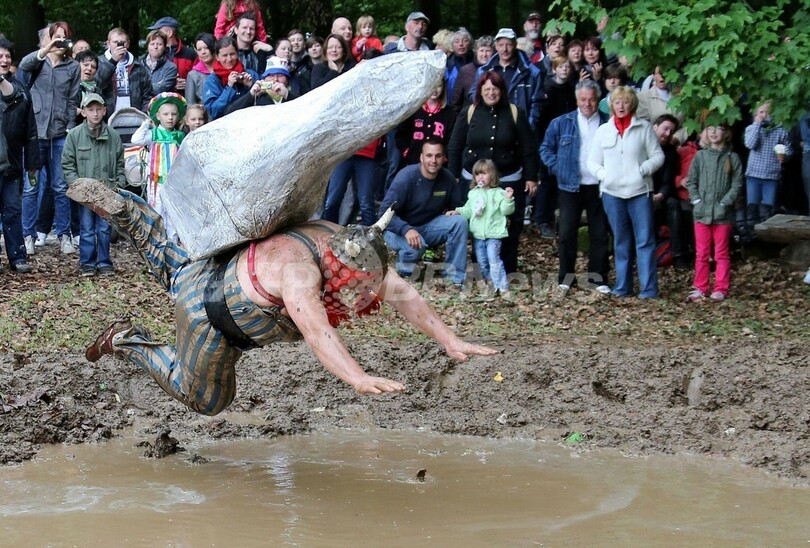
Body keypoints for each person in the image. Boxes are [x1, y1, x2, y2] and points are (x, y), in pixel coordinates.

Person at [66, 177, 497, 416]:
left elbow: (403, 293)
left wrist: (450, 339)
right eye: (359, 287)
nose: (364, 296)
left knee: (170, 259)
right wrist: (357, 377)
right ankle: (125, 340)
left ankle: (127, 207)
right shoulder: (299, 275)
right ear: (341, 268)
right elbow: (319, 334)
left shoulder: (339, 237)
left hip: (210, 265)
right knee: (207, 400)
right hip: (209, 319)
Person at [448, 71, 539, 274]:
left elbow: (528, 147)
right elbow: (455, 145)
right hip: (475, 181)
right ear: (480, 91)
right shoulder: (470, 112)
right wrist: (453, 174)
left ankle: (508, 270)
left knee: (509, 224)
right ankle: (480, 270)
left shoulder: (515, 112)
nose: (491, 93)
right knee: (478, 223)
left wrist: (532, 177)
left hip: (508, 179)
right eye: (487, 89)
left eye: (495, 88)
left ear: (502, 90)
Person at [587, 86, 664, 298]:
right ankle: (623, 287)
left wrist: (642, 170)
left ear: (633, 104)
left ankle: (648, 289)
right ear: (612, 105)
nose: (621, 106)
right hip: (612, 194)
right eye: (617, 102)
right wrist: (604, 175)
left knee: (644, 241)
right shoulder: (603, 130)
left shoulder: (644, 128)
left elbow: (658, 156)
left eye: (626, 102)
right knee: (621, 241)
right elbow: (592, 162)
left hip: (640, 192)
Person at [540, 80, 610, 293]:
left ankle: (598, 279)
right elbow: (545, 149)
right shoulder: (562, 122)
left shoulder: (608, 123)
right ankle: (566, 278)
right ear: (576, 99)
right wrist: (558, 167)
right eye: (583, 99)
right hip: (570, 186)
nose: (587, 104)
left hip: (600, 186)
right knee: (567, 234)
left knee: (600, 234)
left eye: (592, 99)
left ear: (598, 99)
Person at [18, 21, 80, 255]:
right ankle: (28, 235)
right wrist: (46, 49)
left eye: (64, 37)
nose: (60, 41)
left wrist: (70, 128)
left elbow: (73, 100)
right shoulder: (38, 61)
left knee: (61, 187)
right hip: (35, 135)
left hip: (60, 135)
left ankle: (64, 235)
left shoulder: (73, 67)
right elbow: (23, 65)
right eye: (56, 37)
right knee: (31, 188)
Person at [379, 139, 468, 286]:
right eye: (429, 155)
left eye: (438, 156)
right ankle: (405, 271)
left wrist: (457, 211)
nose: (433, 160)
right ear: (421, 157)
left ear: (444, 158)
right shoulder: (406, 177)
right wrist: (406, 229)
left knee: (460, 222)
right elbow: (383, 213)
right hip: (396, 230)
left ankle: (455, 278)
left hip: (427, 226)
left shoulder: (447, 178)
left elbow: (458, 206)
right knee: (416, 246)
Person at [61, 93, 125, 276]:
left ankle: (104, 262)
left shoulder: (113, 136)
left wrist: (118, 185)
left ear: (105, 111)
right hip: (85, 194)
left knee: (104, 229)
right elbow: (67, 164)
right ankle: (87, 263)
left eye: (98, 109)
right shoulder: (74, 135)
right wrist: (77, 187)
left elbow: (120, 164)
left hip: (107, 191)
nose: (95, 113)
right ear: (83, 112)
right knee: (87, 228)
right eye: (90, 110)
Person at [686, 124, 743, 302]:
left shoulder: (732, 157)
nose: (713, 132)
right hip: (701, 214)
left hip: (723, 215)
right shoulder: (700, 156)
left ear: (726, 133)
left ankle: (721, 288)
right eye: (710, 128)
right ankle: (700, 287)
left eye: (718, 128)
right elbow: (691, 181)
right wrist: (697, 201)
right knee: (702, 253)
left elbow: (737, 184)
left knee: (721, 253)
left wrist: (724, 203)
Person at [1, 38, 40, 273]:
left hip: (13, 161)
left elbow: (30, 128)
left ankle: (17, 257)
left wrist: (32, 161)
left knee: (13, 210)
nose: (5, 60)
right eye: (0, 56)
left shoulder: (20, 89)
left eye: (7, 56)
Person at [450, 159, 514, 294]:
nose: (480, 177)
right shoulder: (473, 193)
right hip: (478, 235)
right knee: (482, 262)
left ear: (492, 175)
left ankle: (502, 285)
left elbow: (506, 211)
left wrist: (508, 199)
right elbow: (469, 210)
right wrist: (458, 211)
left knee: (494, 259)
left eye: (484, 173)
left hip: (494, 234)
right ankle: (491, 282)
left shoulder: (499, 193)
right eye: (477, 174)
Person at [131, 92, 186, 238]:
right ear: (158, 116)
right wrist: (146, 124)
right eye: (166, 114)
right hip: (157, 182)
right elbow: (136, 140)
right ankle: (159, 244)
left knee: (174, 217)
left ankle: (173, 244)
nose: (170, 117)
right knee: (157, 213)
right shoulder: (153, 134)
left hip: (175, 184)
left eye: (173, 114)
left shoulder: (179, 136)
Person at [743, 101, 792, 235]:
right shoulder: (751, 129)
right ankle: (751, 236)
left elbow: (789, 149)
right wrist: (757, 125)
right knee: (752, 207)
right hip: (754, 174)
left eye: (768, 112)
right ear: (755, 114)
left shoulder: (781, 130)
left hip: (772, 175)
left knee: (768, 210)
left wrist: (785, 155)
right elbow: (750, 144)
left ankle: (767, 236)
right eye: (761, 112)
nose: (765, 115)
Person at [651, 114, 688, 269]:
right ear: (655, 127)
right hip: (639, 192)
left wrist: (660, 195)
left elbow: (669, 180)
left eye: (671, 132)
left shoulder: (670, 152)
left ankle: (678, 255)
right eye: (665, 129)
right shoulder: (640, 146)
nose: (667, 134)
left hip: (661, 195)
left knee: (673, 204)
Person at [395, 79, 455, 168]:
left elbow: (451, 139)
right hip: (414, 160)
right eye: (431, 85)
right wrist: (406, 151)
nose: (435, 89)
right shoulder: (414, 109)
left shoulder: (449, 113)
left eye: (439, 86)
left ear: (443, 88)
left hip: (437, 164)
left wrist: (445, 155)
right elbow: (401, 134)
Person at [96, 28, 154, 115]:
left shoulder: (138, 65)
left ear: (128, 44)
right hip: (107, 116)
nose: (119, 45)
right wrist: (113, 61)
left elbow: (147, 94)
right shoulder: (99, 62)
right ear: (108, 44)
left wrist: (143, 114)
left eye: (123, 42)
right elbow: (97, 84)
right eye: (115, 42)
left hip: (134, 115)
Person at [203, 36, 258, 120]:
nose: (229, 59)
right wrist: (229, 88)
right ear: (217, 57)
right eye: (224, 55)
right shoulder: (212, 80)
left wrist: (251, 85)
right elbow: (213, 111)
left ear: (237, 54)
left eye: (232, 54)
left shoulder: (250, 74)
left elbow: (265, 100)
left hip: (251, 120)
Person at [226, 56, 298, 114]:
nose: (275, 79)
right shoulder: (258, 96)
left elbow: (302, 111)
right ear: (264, 79)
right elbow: (229, 113)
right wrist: (250, 95)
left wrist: (287, 95)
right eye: (271, 75)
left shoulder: (295, 91)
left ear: (287, 79)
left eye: (280, 75)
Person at [146, 16, 196, 93]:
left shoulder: (190, 54)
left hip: (185, 97)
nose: (155, 34)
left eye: (158, 31)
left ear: (169, 33)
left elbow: (200, 77)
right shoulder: (155, 54)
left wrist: (189, 84)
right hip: (159, 98)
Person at [450, 35, 493, 116]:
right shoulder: (465, 70)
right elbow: (456, 100)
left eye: (488, 51)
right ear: (476, 52)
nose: (484, 54)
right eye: (481, 51)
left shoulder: (497, 70)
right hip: (469, 116)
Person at [142, 30, 178, 95]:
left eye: (159, 44)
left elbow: (161, 89)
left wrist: (141, 86)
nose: (155, 47)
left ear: (164, 47)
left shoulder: (171, 67)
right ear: (147, 46)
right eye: (152, 44)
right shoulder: (139, 65)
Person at [184, 33, 216, 105]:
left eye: (206, 48)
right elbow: (190, 104)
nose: (203, 52)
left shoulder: (224, 68)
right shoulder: (192, 75)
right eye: (199, 49)